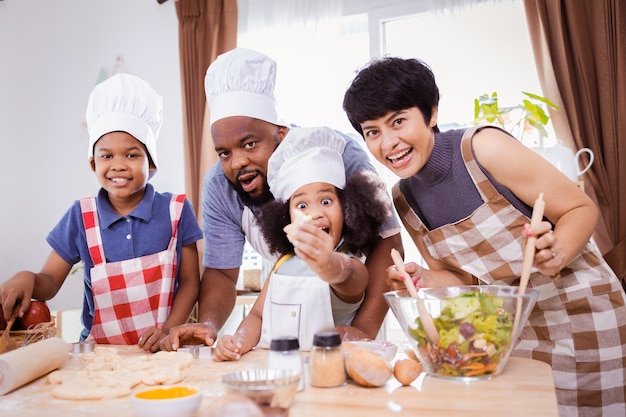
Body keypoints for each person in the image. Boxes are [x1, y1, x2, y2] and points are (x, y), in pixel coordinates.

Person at [342, 56, 626, 417]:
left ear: (430, 113)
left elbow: (580, 209)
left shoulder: (484, 148)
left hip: (583, 313)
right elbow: (463, 278)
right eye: (373, 132)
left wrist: (557, 251)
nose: (389, 142)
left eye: (398, 121)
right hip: (510, 333)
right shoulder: (404, 198)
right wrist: (422, 278)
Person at [160, 48, 402, 351]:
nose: (237, 163)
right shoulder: (219, 186)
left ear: (281, 134)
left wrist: (361, 331)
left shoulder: (340, 154)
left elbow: (388, 244)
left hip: (356, 326)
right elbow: (222, 272)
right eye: (224, 152)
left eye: (249, 144)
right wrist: (209, 325)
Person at [0, 73, 203, 352]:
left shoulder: (176, 210)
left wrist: (168, 331)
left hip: (164, 350)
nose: (118, 165)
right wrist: (27, 277)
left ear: (152, 164)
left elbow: (191, 282)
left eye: (131, 155)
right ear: (93, 164)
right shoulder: (81, 216)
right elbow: (49, 282)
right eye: (107, 156)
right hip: (98, 356)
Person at [214, 126, 391, 360]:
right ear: (286, 217)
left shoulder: (350, 262)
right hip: (278, 373)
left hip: (327, 377)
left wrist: (328, 263)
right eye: (302, 206)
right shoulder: (282, 264)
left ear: (348, 208)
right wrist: (238, 341)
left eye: (326, 201)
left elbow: (348, 277)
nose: (316, 213)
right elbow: (257, 316)